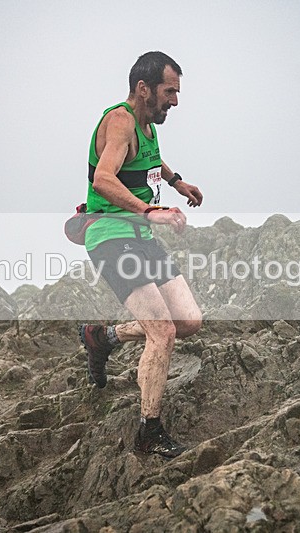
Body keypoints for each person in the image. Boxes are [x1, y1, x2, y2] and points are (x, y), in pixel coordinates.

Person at [78, 51, 203, 459]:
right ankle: (149, 430)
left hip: (141, 235)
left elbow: (148, 161)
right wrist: (152, 210)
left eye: (177, 92)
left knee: (187, 320)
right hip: (112, 235)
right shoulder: (120, 121)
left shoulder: (148, 124)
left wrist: (177, 181)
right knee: (162, 332)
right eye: (170, 91)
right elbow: (104, 177)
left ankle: (103, 337)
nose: (176, 101)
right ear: (143, 88)